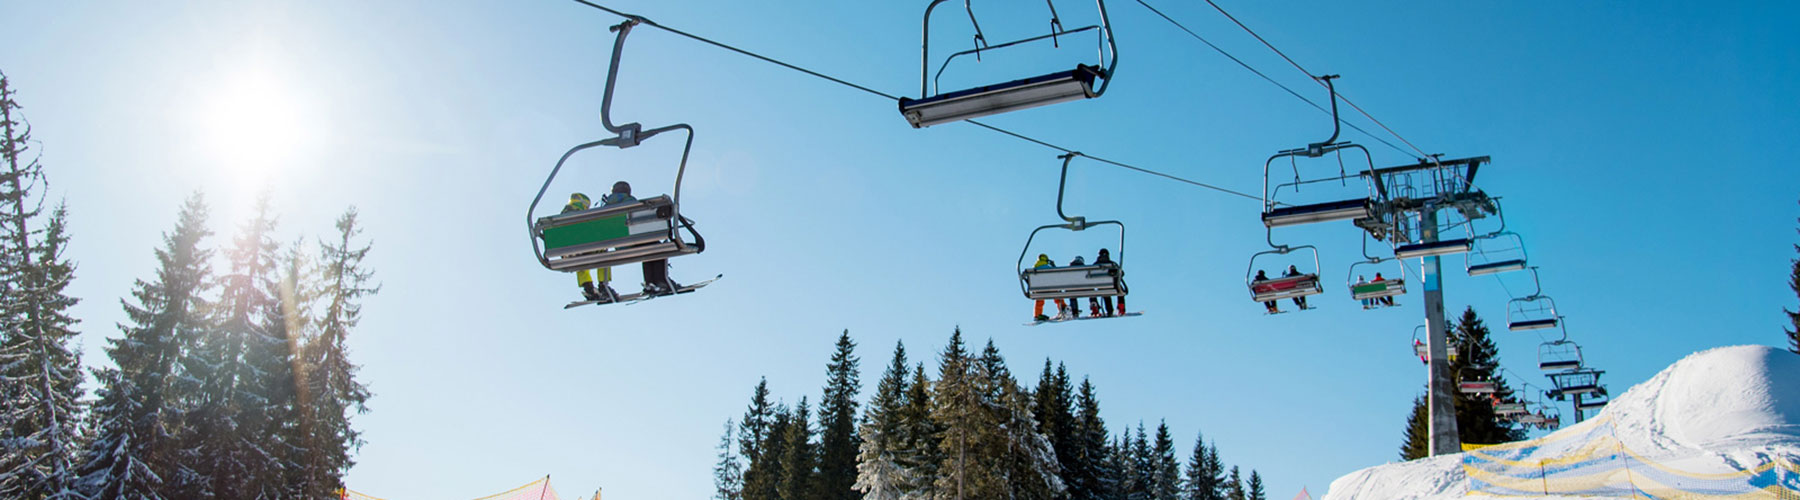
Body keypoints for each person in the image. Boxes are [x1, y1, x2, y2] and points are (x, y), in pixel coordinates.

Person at [601, 181, 682, 296]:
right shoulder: (629, 202)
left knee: (649, 247)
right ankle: (661, 280)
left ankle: (650, 283)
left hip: (619, 245)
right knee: (657, 246)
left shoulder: (606, 206)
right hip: (633, 240)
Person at [562, 193, 620, 302]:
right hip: (583, 248)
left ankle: (588, 287)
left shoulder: (562, 215)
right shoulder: (580, 215)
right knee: (603, 251)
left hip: (568, 254)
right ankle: (604, 285)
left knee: (579, 260)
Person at [1092, 248, 1124, 317]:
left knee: (1104, 293)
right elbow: (1122, 274)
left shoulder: (1094, 265)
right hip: (1113, 286)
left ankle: (1105, 309)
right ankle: (1121, 306)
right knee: (1119, 288)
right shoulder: (1112, 264)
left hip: (1101, 287)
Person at [1030, 254, 1062, 322]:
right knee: (1058, 295)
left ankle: (1037, 315)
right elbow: (1056, 275)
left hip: (1039, 289)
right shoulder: (1048, 267)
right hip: (1051, 288)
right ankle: (1063, 308)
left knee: (1039, 299)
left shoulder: (1035, 267)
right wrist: (1053, 266)